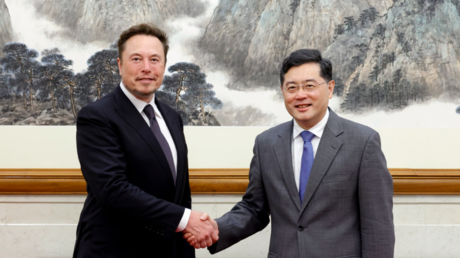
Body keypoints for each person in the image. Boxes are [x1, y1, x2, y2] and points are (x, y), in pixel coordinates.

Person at [185, 49, 395, 257]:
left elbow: (378, 225)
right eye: (292, 87)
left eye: (310, 86)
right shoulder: (266, 143)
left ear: (330, 89)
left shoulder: (363, 142)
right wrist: (215, 229)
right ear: (283, 91)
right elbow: (254, 209)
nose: (300, 95)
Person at [73, 23, 217, 258]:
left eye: (154, 59)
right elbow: (112, 188)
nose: (147, 68)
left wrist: (188, 235)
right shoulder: (97, 116)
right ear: (120, 65)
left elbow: (180, 190)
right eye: (136, 59)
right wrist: (184, 219)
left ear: (164, 65)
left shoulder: (172, 117)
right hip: (116, 250)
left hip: (170, 249)